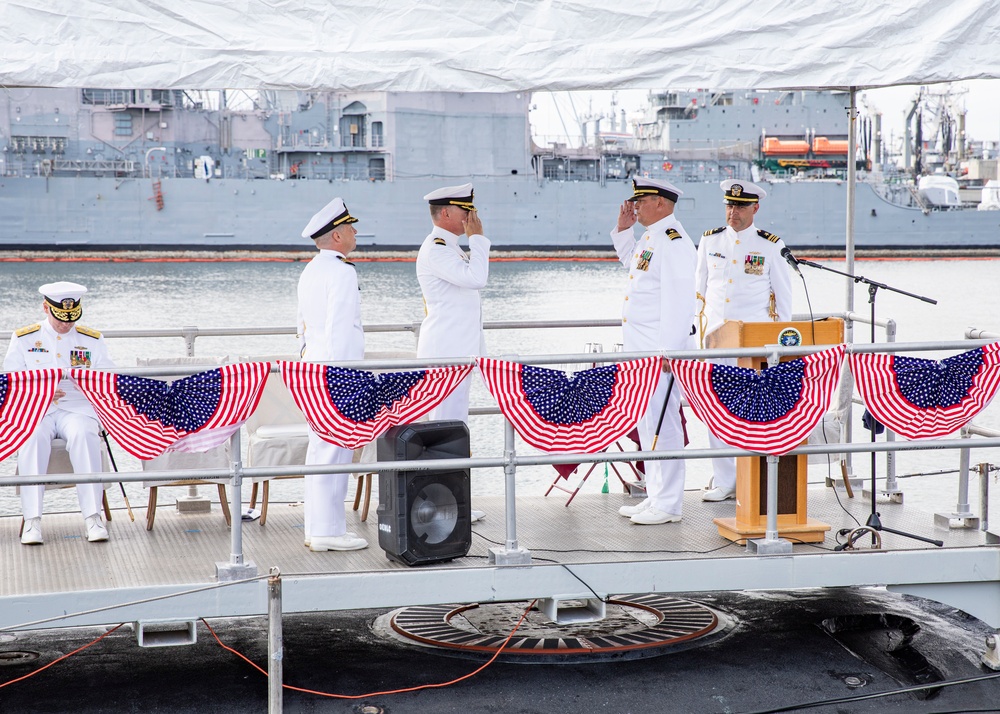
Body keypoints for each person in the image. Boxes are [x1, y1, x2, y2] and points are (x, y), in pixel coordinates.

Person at [696, 179, 794, 501]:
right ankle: (725, 480)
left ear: (755, 208)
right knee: (715, 411)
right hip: (715, 342)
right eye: (729, 205)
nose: (732, 212)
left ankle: (751, 476)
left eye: (739, 206)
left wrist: (780, 346)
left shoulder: (770, 245)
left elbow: (784, 300)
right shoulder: (709, 241)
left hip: (752, 346)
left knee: (750, 411)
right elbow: (698, 294)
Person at [611, 178, 697, 525]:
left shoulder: (674, 241)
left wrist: (668, 353)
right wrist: (622, 231)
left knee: (666, 423)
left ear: (661, 203)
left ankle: (670, 504)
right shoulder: (652, 237)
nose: (635, 206)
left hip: (659, 354)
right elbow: (633, 265)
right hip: (642, 352)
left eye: (642, 200)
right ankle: (657, 495)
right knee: (648, 424)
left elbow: (680, 303)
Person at [3, 282, 114, 545]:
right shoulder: (24, 338)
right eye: (60, 319)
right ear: (46, 308)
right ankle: (32, 521)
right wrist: (40, 393)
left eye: (71, 319)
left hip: (76, 407)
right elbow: (10, 380)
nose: (66, 325)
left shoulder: (91, 339)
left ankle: (93, 517)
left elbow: (108, 378)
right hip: (36, 409)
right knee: (32, 437)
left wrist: (87, 385)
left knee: (85, 435)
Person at [297, 197, 369, 552]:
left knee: (319, 451)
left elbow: (302, 327)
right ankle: (328, 532)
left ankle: (317, 527)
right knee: (335, 452)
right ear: (337, 236)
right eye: (350, 227)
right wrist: (347, 377)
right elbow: (341, 329)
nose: (356, 232)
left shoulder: (311, 270)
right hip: (337, 373)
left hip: (313, 367)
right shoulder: (342, 271)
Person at [415, 183, 490, 423]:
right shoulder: (437, 249)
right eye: (465, 210)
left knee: (454, 423)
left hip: (456, 351)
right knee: (446, 425)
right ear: (446, 213)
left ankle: (457, 462)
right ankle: (453, 462)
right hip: (445, 354)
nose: (471, 216)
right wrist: (477, 238)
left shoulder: (449, 247)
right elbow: (476, 279)